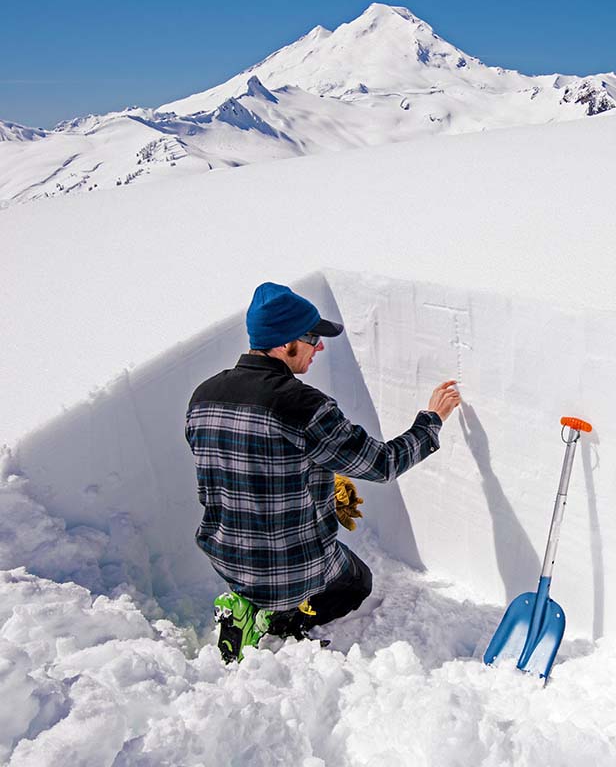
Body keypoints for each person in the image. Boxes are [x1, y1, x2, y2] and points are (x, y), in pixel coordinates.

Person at [185, 281, 460, 662]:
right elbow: (382, 464)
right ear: (285, 344)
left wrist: (322, 478)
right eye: (312, 337)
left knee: (282, 560)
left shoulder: (203, 396)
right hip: (287, 569)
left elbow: (247, 467)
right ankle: (275, 618)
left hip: (228, 557)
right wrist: (431, 421)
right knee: (356, 582)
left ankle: (245, 602)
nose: (320, 346)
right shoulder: (302, 406)